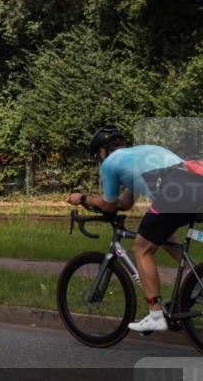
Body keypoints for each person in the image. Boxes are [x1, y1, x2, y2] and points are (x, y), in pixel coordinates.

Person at [66, 126, 191, 333]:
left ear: (102, 152)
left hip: (173, 190)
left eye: (98, 156)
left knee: (141, 248)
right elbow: (124, 203)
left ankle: (156, 315)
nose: (100, 160)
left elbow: (108, 205)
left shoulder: (109, 164)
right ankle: (195, 280)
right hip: (194, 186)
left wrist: (82, 198)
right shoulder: (135, 157)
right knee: (163, 234)